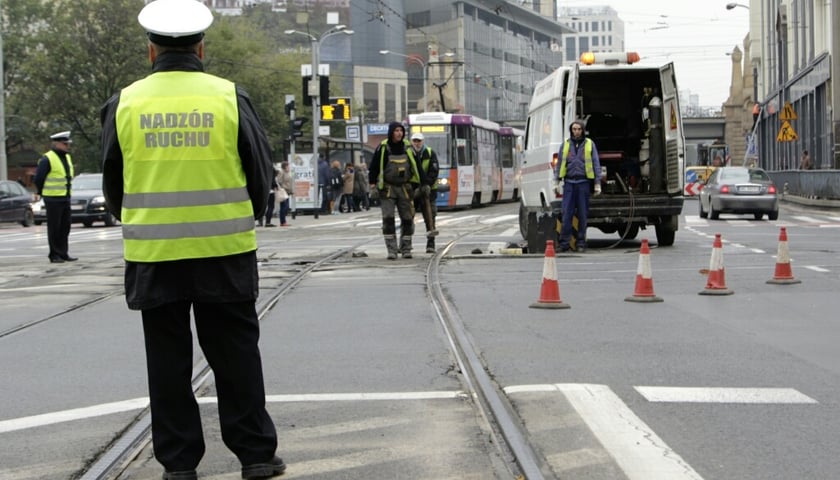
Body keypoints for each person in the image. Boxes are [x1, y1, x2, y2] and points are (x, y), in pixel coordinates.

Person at [99, 1, 284, 479]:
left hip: (154, 254)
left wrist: (140, 219)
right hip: (224, 251)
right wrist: (241, 216)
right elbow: (260, 173)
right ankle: (255, 455)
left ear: (151, 51)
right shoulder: (229, 97)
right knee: (236, 355)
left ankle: (179, 464)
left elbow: (113, 181)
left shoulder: (124, 103)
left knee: (167, 363)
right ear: (201, 48)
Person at [369, 122, 420, 259]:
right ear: (391, 132)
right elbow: (374, 166)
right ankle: (392, 250)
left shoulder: (408, 147)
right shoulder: (383, 148)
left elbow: (417, 165)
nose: (399, 133)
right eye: (396, 130)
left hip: (405, 188)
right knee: (388, 219)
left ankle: (406, 248)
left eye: (401, 130)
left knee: (407, 219)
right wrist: (372, 183)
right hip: (387, 189)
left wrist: (421, 183)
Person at [556, 119, 602, 253]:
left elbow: (596, 163)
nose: (576, 131)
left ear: (583, 130)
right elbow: (560, 163)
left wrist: (597, 183)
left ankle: (581, 243)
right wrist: (556, 181)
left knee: (582, 214)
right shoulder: (565, 145)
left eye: (579, 129)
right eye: (574, 129)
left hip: (583, 183)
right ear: (571, 130)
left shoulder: (589, 144)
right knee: (566, 214)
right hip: (569, 183)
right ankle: (564, 244)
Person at [33, 131, 77, 263]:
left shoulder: (67, 157)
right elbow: (39, 178)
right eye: (65, 144)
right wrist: (40, 192)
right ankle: (54, 254)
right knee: (54, 228)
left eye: (68, 144)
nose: (67, 146)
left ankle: (63, 253)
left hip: (65, 197)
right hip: (52, 198)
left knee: (65, 227)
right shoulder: (47, 159)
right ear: (56, 144)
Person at [409, 132, 440, 253]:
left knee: (430, 217)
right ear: (412, 142)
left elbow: (434, 171)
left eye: (419, 141)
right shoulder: (408, 153)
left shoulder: (430, 153)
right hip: (413, 190)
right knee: (408, 217)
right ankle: (406, 243)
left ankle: (430, 243)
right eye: (415, 141)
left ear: (423, 142)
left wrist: (427, 184)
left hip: (429, 190)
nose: (417, 143)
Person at [277, 161, 293, 226]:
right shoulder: (282, 172)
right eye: (288, 165)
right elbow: (279, 181)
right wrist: (283, 187)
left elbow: (290, 182)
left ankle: (283, 221)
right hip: (283, 191)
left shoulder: (288, 172)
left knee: (286, 206)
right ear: (285, 166)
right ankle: (282, 221)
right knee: (284, 206)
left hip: (288, 191)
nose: (289, 167)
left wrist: (291, 191)